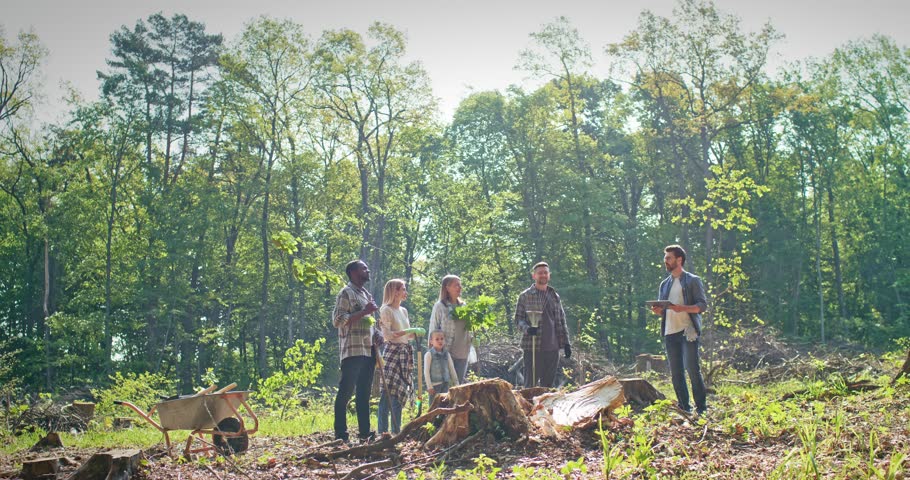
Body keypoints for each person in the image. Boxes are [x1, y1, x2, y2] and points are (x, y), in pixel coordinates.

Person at [650, 244, 709, 414]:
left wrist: (681, 308)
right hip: (670, 332)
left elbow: (701, 306)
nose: (665, 261)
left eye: (668, 258)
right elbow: (664, 310)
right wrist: (658, 311)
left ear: (679, 259)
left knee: (692, 369)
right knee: (676, 374)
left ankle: (701, 409)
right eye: (665, 258)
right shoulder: (664, 284)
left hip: (688, 331)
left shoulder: (692, 280)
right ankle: (685, 409)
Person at [332, 260, 382, 443]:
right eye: (363, 268)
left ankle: (364, 432)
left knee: (364, 393)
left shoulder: (367, 294)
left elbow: (371, 323)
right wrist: (364, 312)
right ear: (353, 272)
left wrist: (378, 334)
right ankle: (340, 434)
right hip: (352, 349)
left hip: (368, 350)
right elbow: (338, 320)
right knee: (346, 391)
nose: (367, 270)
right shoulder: (346, 293)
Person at [514, 262, 571, 388]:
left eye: (545, 272)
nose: (543, 275)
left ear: (549, 275)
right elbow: (518, 320)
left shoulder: (554, 296)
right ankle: (528, 407)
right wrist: (527, 329)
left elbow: (561, 321)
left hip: (553, 348)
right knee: (531, 385)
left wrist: (566, 343)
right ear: (534, 276)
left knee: (548, 386)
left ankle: (544, 408)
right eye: (540, 273)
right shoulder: (525, 296)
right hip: (533, 347)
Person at [376, 279, 415, 435]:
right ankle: (383, 432)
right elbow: (387, 336)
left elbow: (409, 335)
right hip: (392, 353)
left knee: (399, 394)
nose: (405, 292)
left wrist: (416, 332)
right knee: (387, 392)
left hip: (405, 353)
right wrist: (407, 332)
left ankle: (397, 432)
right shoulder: (386, 310)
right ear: (395, 291)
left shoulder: (403, 311)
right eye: (403, 289)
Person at [429, 275, 472, 383]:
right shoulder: (440, 306)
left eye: (460, 285)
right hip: (445, 351)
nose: (460, 288)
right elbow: (433, 329)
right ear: (447, 288)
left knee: (458, 386)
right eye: (456, 285)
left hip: (462, 352)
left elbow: (468, 328)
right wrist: (432, 352)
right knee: (443, 386)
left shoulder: (464, 306)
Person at [423, 330, 459, 404]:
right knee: (433, 406)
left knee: (445, 405)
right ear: (431, 341)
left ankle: (443, 416)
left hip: (445, 384)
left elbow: (452, 369)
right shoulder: (429, 354)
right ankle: (432, 416)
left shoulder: (447, 354)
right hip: (434, 386)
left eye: (442, 339)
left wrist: (456, 384)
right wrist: (429, 386)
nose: (440, 341)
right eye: (437, 339)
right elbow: (426, 372)